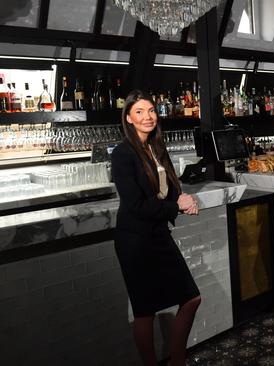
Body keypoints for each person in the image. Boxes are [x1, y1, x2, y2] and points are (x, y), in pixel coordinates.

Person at [112, 90, 201, 366]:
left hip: (158, 234)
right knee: (145, 311)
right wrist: (176, 206)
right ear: (129, 118)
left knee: (191, 299)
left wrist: (185, 200)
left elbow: (171, 189)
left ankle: (177, 361)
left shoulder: (157, 146)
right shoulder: (123, 153)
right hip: (134, 240)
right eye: (139, 112)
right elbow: (136, 204)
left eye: (151, 110)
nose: (147, 117)